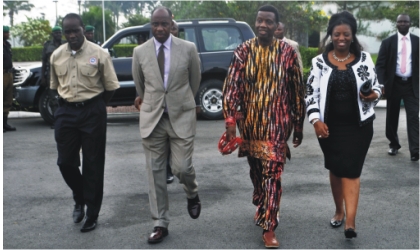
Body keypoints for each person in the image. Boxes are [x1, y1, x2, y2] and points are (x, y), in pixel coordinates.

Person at [223, 5, 305, 248]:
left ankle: (269, 227)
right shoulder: (243, 51)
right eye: (259, 20)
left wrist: (298, 124)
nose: (263, 25)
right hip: (250, 124)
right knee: (257, 172)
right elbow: (231, 87)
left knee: (273, 173)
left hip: (278, 126)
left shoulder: (287, 52)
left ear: (276, 26)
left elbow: (296, 91)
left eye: (268, 22)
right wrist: (230, 121)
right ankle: (261, 199)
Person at [305, 11, 382, 239]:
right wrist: (315, 120)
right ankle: (339, 210)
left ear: (352, 35)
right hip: (329, 128)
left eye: (346, 34)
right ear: (331, 35)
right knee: (336, 169)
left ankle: (350, 222)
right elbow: (310, 93)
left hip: (359, 127)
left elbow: (377, 86)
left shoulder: (365, 59)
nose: (341, 38)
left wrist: (373, 95)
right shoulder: (318, 62)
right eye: (337, 34)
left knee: (352, 171)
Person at [132, 6, 201, 244]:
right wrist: (153, 103)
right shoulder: (139, 52)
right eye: (155, 24)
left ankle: (192, 193)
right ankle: (160, 222)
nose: (159, 28)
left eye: (164, 24)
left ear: (171, 23)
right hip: (153, 119)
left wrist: (181, 103)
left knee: (182, 168)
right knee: (155, 174)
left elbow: (195, 81)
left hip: (181, 116)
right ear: (151, 25)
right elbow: (140, 86)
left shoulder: (188, 49)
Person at [50, 13, 120, 233]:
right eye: (67, 32)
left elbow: (110, 87)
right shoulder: (56, 55)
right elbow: (54, 86)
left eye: (75, 31)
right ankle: (79, 197)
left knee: (93, 163)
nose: (71, 35)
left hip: (93, 111)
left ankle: (91, 212)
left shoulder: (99, 54)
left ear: (83, 29)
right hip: (66, 112)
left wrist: (96, 106)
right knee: (65, 162)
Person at [376, 14, 419, 161]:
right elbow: (380, 65)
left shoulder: (417, 41)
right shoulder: (388, 42)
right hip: (393, 84)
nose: (402, 23)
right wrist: (381, 84)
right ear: (396, 24)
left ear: (409, 23)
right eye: (400, 21)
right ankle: (394, 144)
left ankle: (415, 150)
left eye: (405, 21)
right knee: (392, 116)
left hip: (412, 85)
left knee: (413, 117)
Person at [41, 26, 66, 129]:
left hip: (64, 74)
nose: (58, 35)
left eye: (59, 33)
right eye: (56, 33)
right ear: (53, 34)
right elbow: (43, 62)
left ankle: (66, 120)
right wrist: (43, 77)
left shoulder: (66, 44)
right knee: (53, 100)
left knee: (65, 98)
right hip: (51, 75)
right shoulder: (47, 45)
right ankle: (57, 121)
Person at [3, 25, 16, 133]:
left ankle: (4, 123)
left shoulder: (7, 45)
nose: (8, 34)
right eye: (6, 33)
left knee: (8, 100)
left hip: (8, 74)